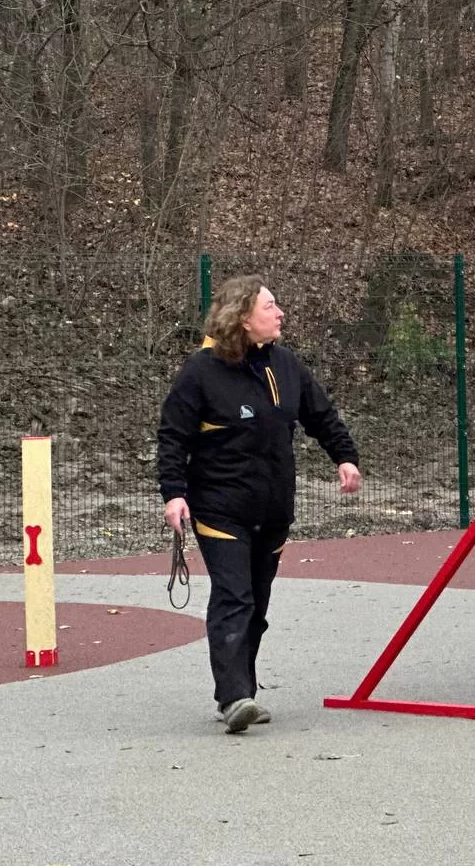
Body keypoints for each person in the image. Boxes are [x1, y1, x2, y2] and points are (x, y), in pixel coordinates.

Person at [157, 275, 362, 733]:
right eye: (269, 306)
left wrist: (345, 457)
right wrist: (174, 493)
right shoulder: (200, 372)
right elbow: (173, 436)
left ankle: (241, 690)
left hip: (272, 508)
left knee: (257, 605)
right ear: (243, 318)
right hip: (219, 506)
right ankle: (234, 698)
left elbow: (321, 415)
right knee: (234, 596)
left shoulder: (285, 365)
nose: (280, 313)